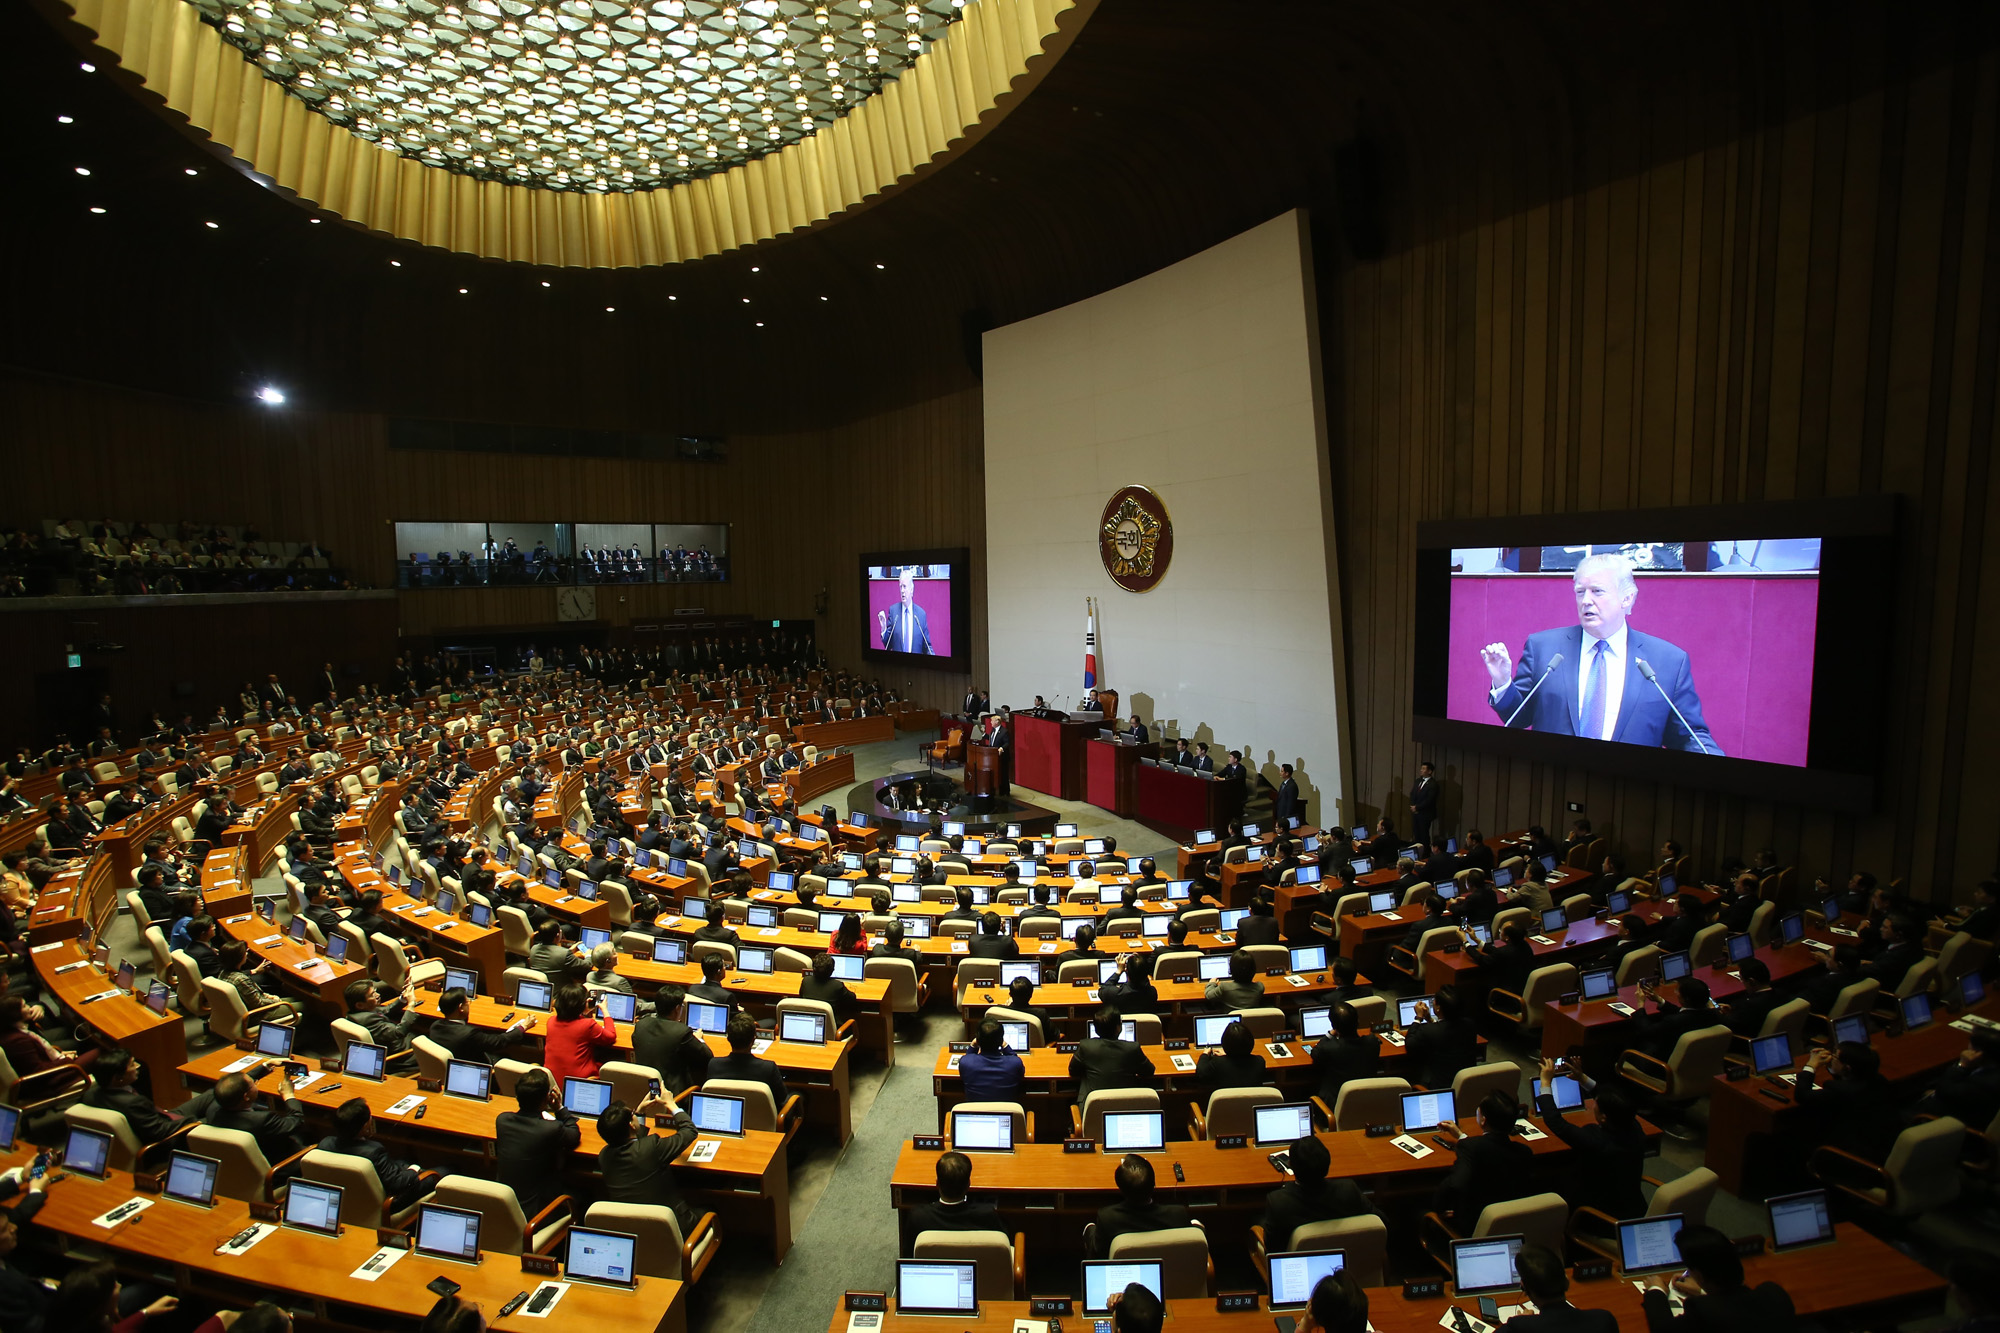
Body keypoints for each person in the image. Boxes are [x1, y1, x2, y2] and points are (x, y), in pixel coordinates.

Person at [1482, 553, 1722, 753]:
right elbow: (1519, 718)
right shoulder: (1543, 647)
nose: (1586, 601)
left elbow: (1689, 736)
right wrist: (1503, 681)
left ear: (1626, 599)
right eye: (1580, 592)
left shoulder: (1668, 661)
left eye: (1597, 591)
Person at [1534, 1058, 1646, 1220]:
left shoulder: (1596, 1141)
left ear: (1603, 1118)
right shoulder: (1633, 1126)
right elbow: (1610, 1100)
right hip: (1633, 1208)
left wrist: (1545, 1083)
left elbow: (1556, 1122)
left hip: (1598, 1216)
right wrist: (1582, 1078)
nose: (1593, 1105)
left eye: (1596, 1105)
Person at [1638, 1223, 1796, 1331]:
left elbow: (1663, 1329)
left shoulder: (1702, 1310)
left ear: (1699, 1275)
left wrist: (1656, 1289)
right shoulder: (1773, 1293)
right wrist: (1704, 1292)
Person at [596, 1092, 701, 1230]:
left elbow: (632, 1144)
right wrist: (670, 1104)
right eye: (632, 1114)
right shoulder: (652, 1147)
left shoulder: (604, 1156)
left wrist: (639, 1113)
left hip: (634, 1228)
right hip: (673, 1226)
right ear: (631, 1126)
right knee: (711, 1208)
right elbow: (689, 1131)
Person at [1433, 1090, 1535, 1227]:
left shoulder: (1470, 1148)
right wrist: (1461, 1136)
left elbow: (1456, 1184)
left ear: (1483, 1120)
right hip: (1511, 1222)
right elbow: (1490, 1149)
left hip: (1474, 1224)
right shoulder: (1525, 1152)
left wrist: (1439, 1208)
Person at [1257, 1133, 1371, 1252]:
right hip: (1349, 1260)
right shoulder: (1348, 1190)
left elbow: (1273, 1249)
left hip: (1299, 1264)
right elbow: (1380, 1220)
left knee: (1257, 1220)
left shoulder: (1278, 1203)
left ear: (1290, 1165)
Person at [1794, 1041, 1901, 1163]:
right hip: (1884, 1147)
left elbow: (1802, 1095)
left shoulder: (1840, 1091)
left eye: (1835, 1056)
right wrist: (1833, 1067)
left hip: (1853, 1157)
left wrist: (1811, 1065)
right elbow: (1848, 1080)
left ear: (1847, 1067)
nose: (1831, 1057)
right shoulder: (1878, 1080)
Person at [493, 1067, 579, 1219]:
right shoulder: (550, 1128)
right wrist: (559, 1108)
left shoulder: (502, 1120)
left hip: (506, 1205)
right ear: (546, 1098)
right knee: (585, 1196)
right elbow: (573, 1136)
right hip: (536, 1213)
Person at [320, 1097, 429, 1210]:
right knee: (440, 1172)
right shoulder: (373, 1151)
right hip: (387, 1204)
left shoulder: (325, 1144)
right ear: (365, 1125)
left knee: (405, 1160)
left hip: (342, 1201)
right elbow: (396, 1184)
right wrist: (414, 1170)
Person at [1094, 1153, 1193, 1255]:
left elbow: (1099, 1253)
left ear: (1121, 1189)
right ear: (1154, 1184)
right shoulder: (1178, 1215)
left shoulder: (1107, 1218)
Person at [201, 1068, 308, 1162]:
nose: (256, 1083)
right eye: (254, 1083)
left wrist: (265, 1066)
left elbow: (234, 1085)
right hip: (278, 1164)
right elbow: (296, 1121)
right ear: (246, 1097)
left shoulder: (213, 1109)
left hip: (236, 1163)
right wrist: (289, 1095)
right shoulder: (262, 1120)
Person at [1508, 1243, 1619, 1332]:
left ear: (1525, 1288)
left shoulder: (1518, 1327)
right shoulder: (1604, 1320)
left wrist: (1525, 1321)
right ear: (1565, 1278)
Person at [904, 1151, 1000, 1247]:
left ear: (937, 1184)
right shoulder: (987, 1215)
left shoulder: (918, 1217)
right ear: (968, 1185)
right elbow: (1004, 1246)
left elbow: (908, 1254)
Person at [1404, 986, 1481, 1096]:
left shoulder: (1429, 1031)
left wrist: (1418, 1018)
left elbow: (1410, 1044)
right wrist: (1430, 1020)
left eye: (1434, 1002)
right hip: (1466, 1086)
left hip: (1440, 1088)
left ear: (1438, 1008)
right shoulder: (1470, 1024)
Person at [633, 988, 712, 1094]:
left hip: (644, 1088)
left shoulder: (641, 1024)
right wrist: (698, 1039)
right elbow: (707, 1056)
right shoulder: (681, 1031)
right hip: (671, 1093)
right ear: (677, 1009)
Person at [1070, 1006, 1154, 1106]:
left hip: (1093, 1109)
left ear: (1096, 1030)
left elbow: (1073, 1070)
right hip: (1125, 1107)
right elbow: (1149, 1071)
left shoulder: (1086, 1046)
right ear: (1118, 1027)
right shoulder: (1132, 1048)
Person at [1919, 1028, 2000, 1130]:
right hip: (1961, 1107)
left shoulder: (1985, 1084)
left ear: (1978, 1052)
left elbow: (1944, 1091)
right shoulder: (1992, 1069)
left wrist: (1962, 1065)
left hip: (1947, 1124)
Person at [709, 1012, 788, 1113]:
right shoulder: (768, 1068)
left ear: (728, 1039)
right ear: (753, 1040)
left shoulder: (714, 1065)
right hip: (762, 1122)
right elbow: (782, 1097)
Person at [429, 986, 530, 1064]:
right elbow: (498, 1041)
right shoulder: (469, 1034)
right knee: (506, 1057)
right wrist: (522, 1027)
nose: (469, 1005)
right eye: (467, 1002)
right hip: (475, 1070)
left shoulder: (434, 1026)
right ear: (461, 1008)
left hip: (452, 1068)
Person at [542, 982, 617, 1085]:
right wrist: (604, 1010)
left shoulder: (551, 1021)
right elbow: (611, 1037)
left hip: (551, 1080)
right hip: (579, 1081)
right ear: (583, 1004)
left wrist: (583, 1011)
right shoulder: (587, 1025)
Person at [1309, 1001, 1379, 1105]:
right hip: (1367, 1101)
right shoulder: (1373, 1042)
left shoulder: (1329, 1048)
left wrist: (1329, 1035)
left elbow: (1315, 1053)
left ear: (1333, 1026)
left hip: (1335, 1104)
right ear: (1358, 1022)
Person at [958, 1019, 1025, 1101]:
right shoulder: (1015, 1063)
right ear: (1001, 1041)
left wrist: (973, 1046)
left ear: (978, 1040)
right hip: (1005, 1112)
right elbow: (1014, 1058)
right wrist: (1005, 1046)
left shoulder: (965, 1062)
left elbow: (968, 1058)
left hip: (976, 1112)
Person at [1195, 1018, 1269, 1089]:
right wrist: (1227, 1056)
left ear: (1224, 1043)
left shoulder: (1218, 1063)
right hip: (1253, 1102)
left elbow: (1201, 1073)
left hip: (1226, 1102)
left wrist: (1205, 1054)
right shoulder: (1260, 1062)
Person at [878, 567, 933, 654]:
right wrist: (884, 628)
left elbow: (927, 647)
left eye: (905, 587)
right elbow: (888, 645)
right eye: (900, 587)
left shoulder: (921, 615)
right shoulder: (893, 612)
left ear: (911, 590)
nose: (902, 591)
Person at [798, 952, 857, 1021]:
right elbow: (852, 999)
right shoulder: (837, 986)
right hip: (832, 1025)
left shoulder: (806, 981)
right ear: (832, 970)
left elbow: (801, 996)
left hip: (809, 1021)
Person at [1101, 949, 1160, 1016]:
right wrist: (1141, 964)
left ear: (1126, 971)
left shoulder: (1116, 994)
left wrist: (1118, 971)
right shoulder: (1152, 993)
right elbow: (1144, 979)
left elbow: (1103, 990)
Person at [1408, 760, 1438, 845]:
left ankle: (1425, 854)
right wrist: (1413, 806)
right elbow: (1412, 793)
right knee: (1416, 834)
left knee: (1424, 835)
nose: (1421, 770)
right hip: (1415, 813)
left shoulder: (1433, 784)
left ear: (1429, 771)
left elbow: (1429, 800)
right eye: (1421, 768)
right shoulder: (1418, 781)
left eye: (1424, 769)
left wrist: (1417, 807)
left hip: (1425, 813)